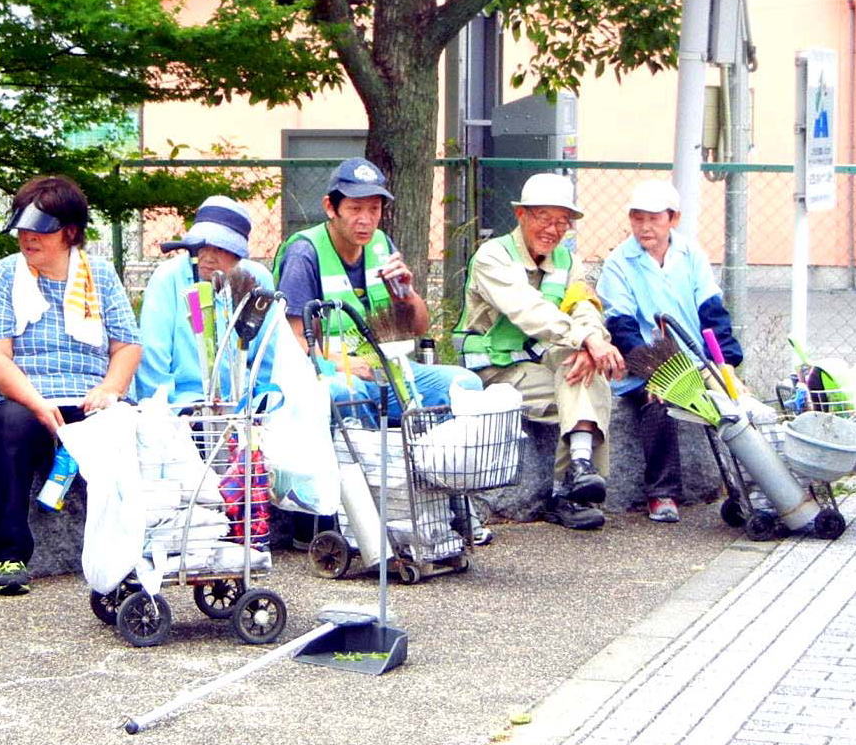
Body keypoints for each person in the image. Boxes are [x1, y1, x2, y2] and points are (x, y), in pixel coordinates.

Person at [0, 176, 142, 594]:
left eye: (40, 230)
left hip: (87, 393)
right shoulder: (5, 274)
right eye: (23, 229)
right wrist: (36, 401)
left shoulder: (98, 274)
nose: (28, 238)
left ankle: (130, 557)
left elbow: (126, 346)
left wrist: (110, 389)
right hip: (19, 394)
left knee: (124, 430)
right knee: (14, 424)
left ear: (70, 232)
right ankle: (10, 556)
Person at [458, 173, 620, 531]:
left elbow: (584, 305)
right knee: (580, 386)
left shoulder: (567, 260)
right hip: (495, 365)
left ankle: (579, 470)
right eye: (544, 217)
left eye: (562, 221)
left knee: (584, 371)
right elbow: (529, 310)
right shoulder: (492, 256)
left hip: (543, 358)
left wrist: (592, 339)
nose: (554, 228)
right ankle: (570, 490)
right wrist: (583, 341)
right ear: (522, 216)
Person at [277, 158, 483, 421]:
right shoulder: (304, 254)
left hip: (384, 368)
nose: (365, 220)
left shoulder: (381, 245)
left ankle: (428, 457)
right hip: (333, 373)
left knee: (464, 383)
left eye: (374, 209)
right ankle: (369, 457)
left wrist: (405, 295)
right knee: (345, 392)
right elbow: (293, 340)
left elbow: (419, 328)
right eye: (355, 208)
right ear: (330, 207)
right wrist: (343, 364)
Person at [598, 181, 744, 524]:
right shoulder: (619, 262)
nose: (645, 227)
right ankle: (663, 494)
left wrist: (727, 363)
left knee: (735, 401)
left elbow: (712, 312)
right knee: (657, 403)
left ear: (672, 219)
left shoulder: (691, 255)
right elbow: (621, 325)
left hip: (695, 360)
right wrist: (652, 371)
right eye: (637, 218)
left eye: (654, 218)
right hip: (645, 364)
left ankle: (748, 487)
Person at [135, 195, 280, 406]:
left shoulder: (258, 278)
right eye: (202, 246)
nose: (209, 257)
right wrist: (171, 411)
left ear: (238, 254)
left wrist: (263, 403)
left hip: (245, 401)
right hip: (184, 402)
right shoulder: (168, 277)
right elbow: (153, 359)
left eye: (220, 249)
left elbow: (270, 355)